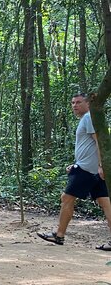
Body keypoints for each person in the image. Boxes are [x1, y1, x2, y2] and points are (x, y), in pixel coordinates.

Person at [37, 93, 111, 251]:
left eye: (78, 102)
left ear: (88, 103)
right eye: (72, 102)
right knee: (106, 204)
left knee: (67, 198)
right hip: (90, 169)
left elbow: (98, 141)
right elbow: (90, 146)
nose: (74, 105)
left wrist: (100, 165)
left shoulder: (88, 117)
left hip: (88, 170)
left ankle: (59, 235)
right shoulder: (88, 118)